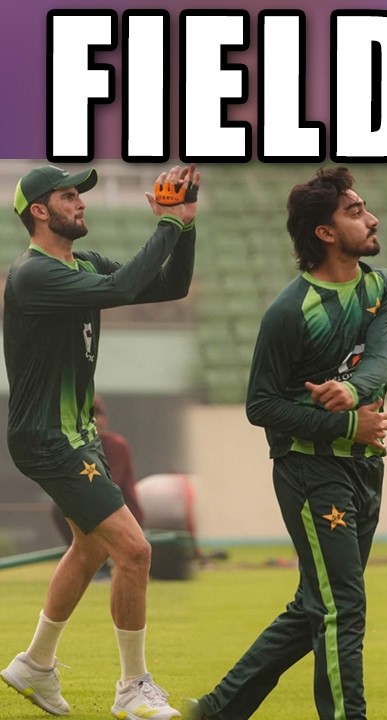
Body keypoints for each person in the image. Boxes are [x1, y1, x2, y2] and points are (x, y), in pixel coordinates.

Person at [187, 167, 387, 720]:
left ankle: (216, 710)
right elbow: (260, 407)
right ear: (325, 233)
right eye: (355, 212)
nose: (372, 218)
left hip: (366, 466)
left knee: (317, 604)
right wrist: (345, 425)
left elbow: (380, 358)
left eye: (365, 207)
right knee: (342, 607)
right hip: (311, 472)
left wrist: (351, 392)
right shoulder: (289, 312)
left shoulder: (386, 288)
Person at [1, 164, 198, 719]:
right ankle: (133, 689)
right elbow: (123, 287)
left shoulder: (80, 262)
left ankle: (34, 666)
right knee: (135, 551)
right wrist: (166, 224)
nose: (80, 202)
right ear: (40, 211)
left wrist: (185, 225)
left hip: (74, 434)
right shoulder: (33, 275)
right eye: (69, 196)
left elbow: (170, 286)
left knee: (90, 548)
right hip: (48, 437)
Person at [50, 396, 144, 581]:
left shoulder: (116, 446)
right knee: (60, 507)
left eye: (96, 415)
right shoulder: (75, 447)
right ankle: (88, 559)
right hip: (88, 506)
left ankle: (96, 562)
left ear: (104, 420)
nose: (92, 421)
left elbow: (110, 485)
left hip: (120, 509)